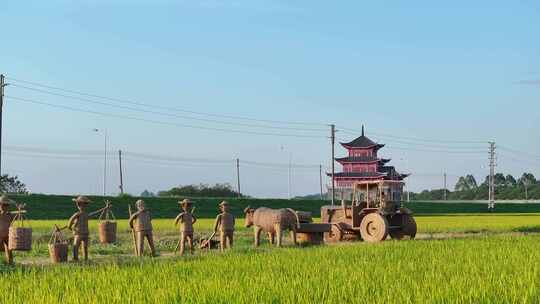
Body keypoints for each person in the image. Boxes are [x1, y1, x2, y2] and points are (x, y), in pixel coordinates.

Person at [67, 196, 108, 261]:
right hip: (81, 233)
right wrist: (71, 228)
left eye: (85, 205)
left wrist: (104, 209)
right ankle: (79, 258)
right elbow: (70, 222)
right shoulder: (80, 214)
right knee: (79, 246)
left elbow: (95, 213)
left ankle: (82, 258)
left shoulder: (83, 214)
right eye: (82, 204)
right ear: (79, 205)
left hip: (82, 234)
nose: (83, 206)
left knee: (81, 247)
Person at [0, 195, 25, 264]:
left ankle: (10, 264)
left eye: (7, 205)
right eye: (3, 205)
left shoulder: (10, 215)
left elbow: (20, 216)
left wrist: (19, 209)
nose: (5, 207)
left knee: (9, 250)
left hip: (7, 236)